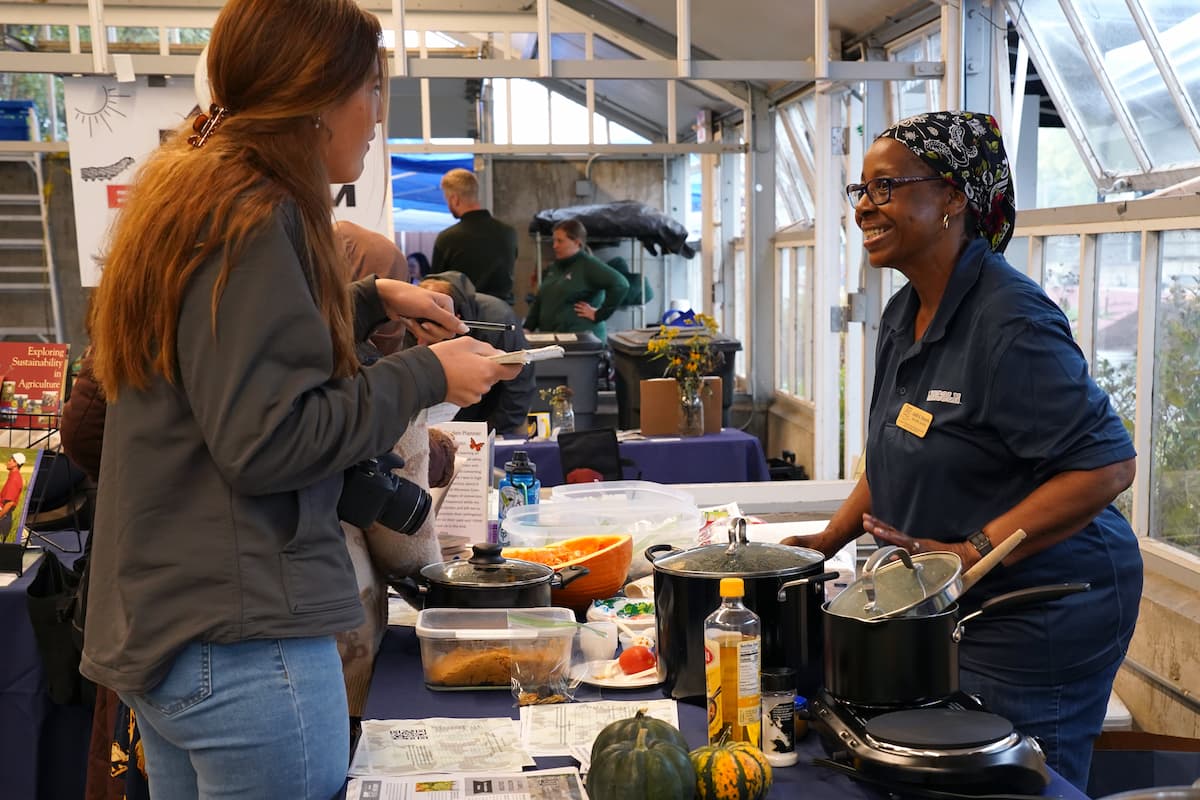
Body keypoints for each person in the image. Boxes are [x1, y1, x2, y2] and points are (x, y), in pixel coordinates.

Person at [79, 0, 521, 797]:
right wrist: (429, 375)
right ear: (318, 96)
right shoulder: (258, 212)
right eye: (372, 90)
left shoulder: (194, 191)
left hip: (174, 628)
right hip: (247, 639)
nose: (378, 114)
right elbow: (268, 439)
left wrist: (369, 300)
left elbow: (219, 365)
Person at [781, 110, 1141, 791]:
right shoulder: (903, 313)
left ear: (952, 197)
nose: (864, 206)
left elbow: (1107, 466)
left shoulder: (1010, 320)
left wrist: (967, 554)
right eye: (860, 190)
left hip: (1045, 604)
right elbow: (889, 453)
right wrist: (822, 543)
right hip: (953, 599)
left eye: (885, 187)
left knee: (1013, 778)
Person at [420, 270, 536, 435]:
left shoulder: (497, 319)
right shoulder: (414, 316)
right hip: (440, 418)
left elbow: (519, 384)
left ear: (456, 317)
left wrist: (490, 431)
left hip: (499, 409)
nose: (422, 341)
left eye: (433, 332)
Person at [524, 218, 630, 341]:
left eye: (560, 241)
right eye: (554, 241)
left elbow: (621, 285)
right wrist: (528, 328)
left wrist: (599, 314)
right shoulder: (554, 268)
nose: (555, 246)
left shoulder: (588, 265)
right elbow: (541, 300)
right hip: (554, 340)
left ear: (577, 243)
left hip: (580, 342)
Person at [432, 168, 518, 304]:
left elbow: (436, 286)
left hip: (466, 317)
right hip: (501, 315)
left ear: (454, 199)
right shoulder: (509, 233)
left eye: (447, 199)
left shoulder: (448, 238)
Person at [0, 451, 26, 542]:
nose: (7, 462)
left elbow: (9, 503)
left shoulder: (14, 479)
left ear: (15, 464)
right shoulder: (13, 476)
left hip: (3, 514)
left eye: (10, 460)